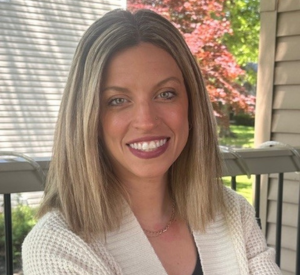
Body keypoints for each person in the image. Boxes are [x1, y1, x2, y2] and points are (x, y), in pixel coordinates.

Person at [22, 9, 281, 275]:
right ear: (88, 119)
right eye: (117, 101)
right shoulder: (58, 246)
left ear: (192, 107)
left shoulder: (234, 213)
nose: (146, 121)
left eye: (166, 94)